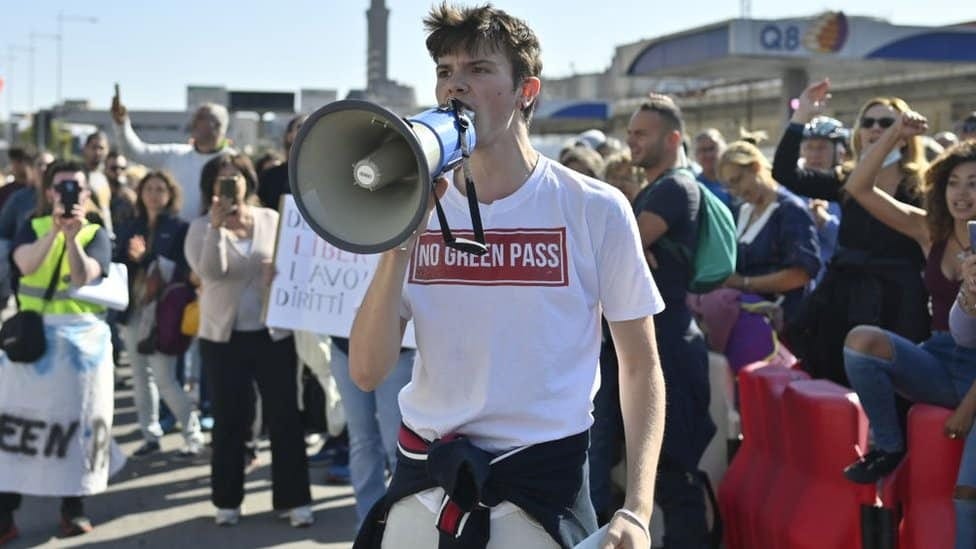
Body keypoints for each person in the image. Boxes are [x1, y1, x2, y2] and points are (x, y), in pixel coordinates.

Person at [350, 5, 665, 549]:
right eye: (445, 71)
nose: (456, 86)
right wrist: (400, 243)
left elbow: (640, 366)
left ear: (526, 90)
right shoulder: (414, 207)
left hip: (540, 496)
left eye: (478, 69)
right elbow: (366, 370)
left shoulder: (594, 208)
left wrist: (636, 509)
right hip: (423, 490)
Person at [842, 128, 976, 548]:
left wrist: (967, 409)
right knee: (862, 341)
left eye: (973, 183)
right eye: (953, 183)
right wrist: (895, 136)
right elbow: (859, 187)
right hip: (938, 358)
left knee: (966, 497)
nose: (961, 194)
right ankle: (889, 446)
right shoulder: (931, 231)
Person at [774, 78, 931, 385]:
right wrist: (802, 115)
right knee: (836, 380)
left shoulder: (923, 186)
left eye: (887, 123)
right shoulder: (845, 179)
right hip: (844, 296)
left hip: (900, 301)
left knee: (896, 385)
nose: (876, 128)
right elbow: (784, 173)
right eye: (868, 122)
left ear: (905, 135)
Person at [184, 153, 312, 528]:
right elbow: (211, 272)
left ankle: (295, 499)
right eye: (221, 179)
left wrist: (280, 273)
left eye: (236, 177)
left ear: (248, 181)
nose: (230, 184)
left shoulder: (271, 219)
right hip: (223, 339)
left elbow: (298, 267)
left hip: (272, 335)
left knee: (285, 418)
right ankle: (227, 501)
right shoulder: (199, 228)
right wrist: (216, 228)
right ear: (210, 187)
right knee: (230, 420)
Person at [0, 161, 122, 541]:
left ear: (86, 194)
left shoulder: (96, 234)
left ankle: (73, 508)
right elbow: (25, 265)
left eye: (76, 188)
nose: (68, 195)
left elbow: (83, 275)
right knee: (18, 430)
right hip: (33, 347)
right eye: (61, 187)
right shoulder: (33, 227)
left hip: (81, 356)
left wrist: (72, 238)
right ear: (50, 192)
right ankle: (5, 515)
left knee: (76, 429)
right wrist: (54, 231)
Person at [628, 94, 716, 548]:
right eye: (631, 133)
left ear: (673, 139)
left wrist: (628, 247)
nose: (632, 141)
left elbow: (614, 249)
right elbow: (620, 249)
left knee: (675, 472)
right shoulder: (655, 189)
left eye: (642, 134)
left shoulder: (673, 189)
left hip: (672, 348)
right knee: (663, 474)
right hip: (663, 341)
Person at [114, 170, 203, 458]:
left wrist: (148, 258)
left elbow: (184, 271)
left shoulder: (179, 228)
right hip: (133, 311)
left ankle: (193, 435)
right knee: (140, 378)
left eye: (160, 189)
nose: (154, 195)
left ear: (170, 194)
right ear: (140, 193)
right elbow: (116, 264)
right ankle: (150, 436)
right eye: (149, 189)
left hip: (164, 314)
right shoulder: (130, 226)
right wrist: (129, 257)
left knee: (165, 378)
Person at [717, 140, 821, 324]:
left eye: (737, 180)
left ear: (756, 168)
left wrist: (745, 283)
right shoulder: (742, 212)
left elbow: (801, 273)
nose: (735, 191)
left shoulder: (790, 211)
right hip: (750, 317)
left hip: (789, 320)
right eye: (729, 186)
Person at [112, 97, 236, 219]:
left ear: (218, 126)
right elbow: (135, 152)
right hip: (175, 232)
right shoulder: (176, 154)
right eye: (195, 117)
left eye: (201, 118)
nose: (193, 122)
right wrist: (121, 124)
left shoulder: (233, 162)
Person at [257, 113, 307, 210]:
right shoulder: (270, 176)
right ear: (289, 136)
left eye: (312, 127)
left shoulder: (324, 176)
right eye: (301, 127)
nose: (307, 130)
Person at [694, 128, 733, 208]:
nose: (708, 155)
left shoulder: (735, 181)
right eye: (703, 150)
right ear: (696, 155)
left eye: (712, 149)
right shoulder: (694, 186)